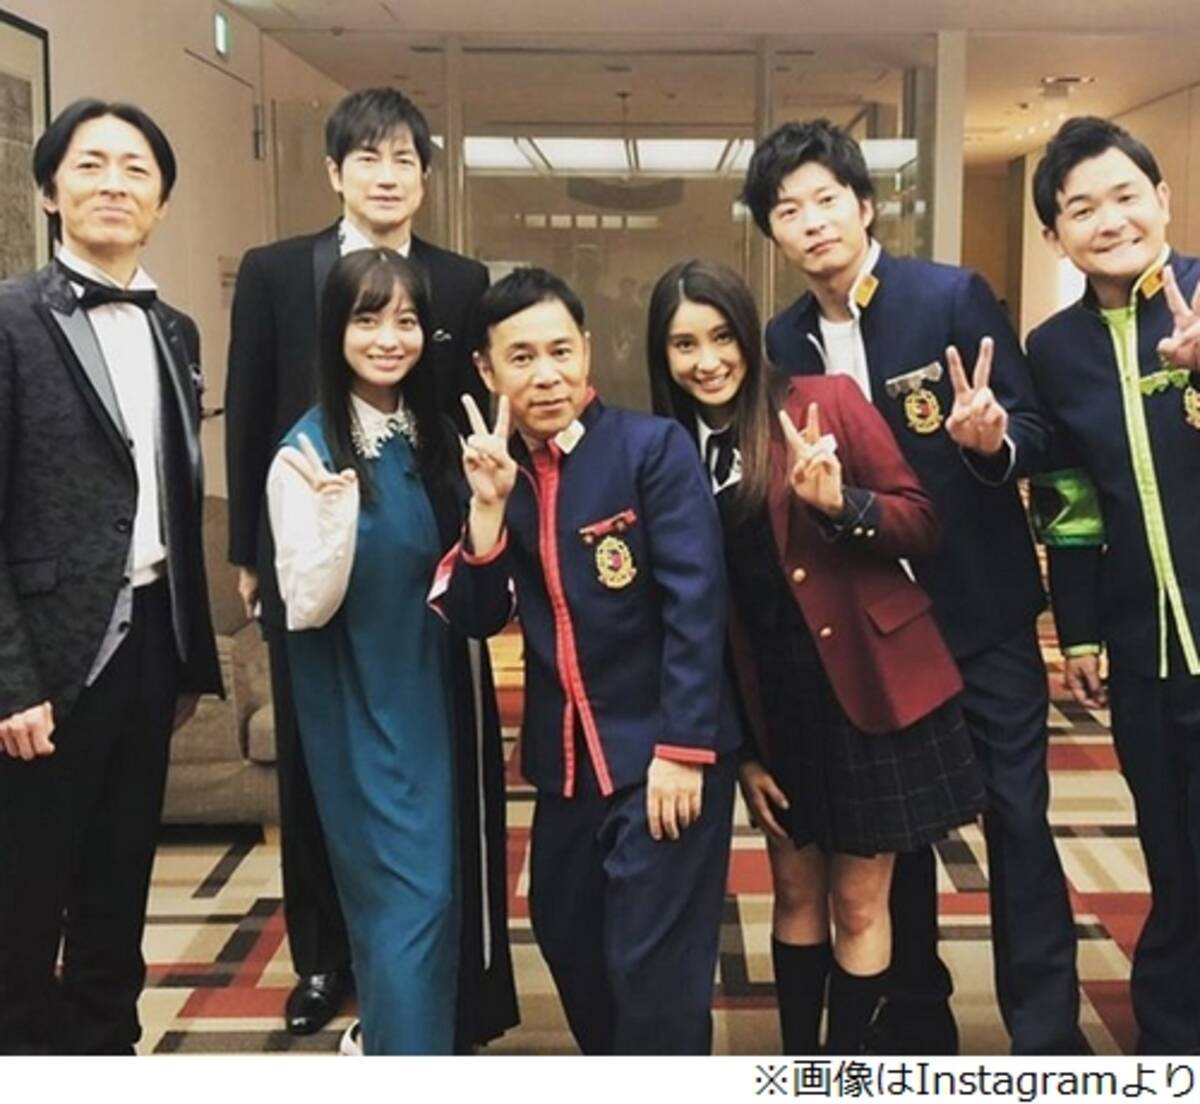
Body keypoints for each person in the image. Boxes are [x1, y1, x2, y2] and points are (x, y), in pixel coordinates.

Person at [742, 118, 1083, 1055]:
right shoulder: (782, 339)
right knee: (896, 835)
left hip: (978, 615)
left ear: (863, 205)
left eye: (826, 200)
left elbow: (1036, 434)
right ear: (772, 233)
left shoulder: (949, 297)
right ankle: (919, 1028)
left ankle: (1046, 1037)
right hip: (872, 632)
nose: (812, 222)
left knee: (1017, 821)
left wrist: (991, 441)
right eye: (787, 210)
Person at [645, 259, 985, 1054]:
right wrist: (742, 750)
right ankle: (805, 1063)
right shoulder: (669, 450)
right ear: (662, 355)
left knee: (859, 904)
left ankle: (844, 1072)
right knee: (795, 895)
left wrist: (841, 506)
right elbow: (696, 616)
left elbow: (922, 522)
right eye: (685, 344)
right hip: (774, 702)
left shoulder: (823, 401)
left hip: (871, 689)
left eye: (722, 336)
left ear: (748, 334)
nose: (707, 360)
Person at [224, 86, 496, 1039]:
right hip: (320, 559)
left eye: (404, 160)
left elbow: (465, 415)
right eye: (367, 159)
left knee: (430, 851)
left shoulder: (458, 282)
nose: (387, 176)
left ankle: (416, 1016)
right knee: (326, 801)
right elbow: (249, 406)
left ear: (426, 177)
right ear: (335, 172)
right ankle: (328, 966)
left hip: (420, 585)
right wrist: (252, 555)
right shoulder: (276, 272)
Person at [430, 267, 739, 1055]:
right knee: (564, 931)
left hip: (659, 751)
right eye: (522, 357)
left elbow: (697, 606)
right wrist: (487, 510)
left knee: (653, 966)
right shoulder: (491, 472)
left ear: (588, 351)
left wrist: (683, 748)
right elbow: (473, 616)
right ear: (487, 370)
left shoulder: (650, 449)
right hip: (565, 764)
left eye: (561, 351)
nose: (547, 375)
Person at [0, 99, 221, 1054]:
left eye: (137, 169)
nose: (114, 185)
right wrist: (10, 680)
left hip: (149, 646)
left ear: (161, 201)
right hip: (45, 663)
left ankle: (105, 1052)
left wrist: (185, 655)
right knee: (23, 896)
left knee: (118, 885)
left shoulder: (177, 330)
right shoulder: (10, 319)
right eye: (90, 165)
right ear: (51, 191)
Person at [265, 248, 515, 1054]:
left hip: (438, 699)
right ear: (335, 331)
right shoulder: (305, 454)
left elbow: (466, 572)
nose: (388, 338)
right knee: (409, 904)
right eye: (367, 319)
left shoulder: (432, 436)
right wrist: (335, 522)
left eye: (406, 321)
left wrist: (487, 505)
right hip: (362, 711)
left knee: (439, 901)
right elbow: (304, 605)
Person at [1027, 116, 1200, 1055]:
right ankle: (1173, 1039)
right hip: (1142, 655)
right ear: (1056, 236)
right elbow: (1070, 503)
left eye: (1126, 195)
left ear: (1163, 199)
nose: (1110, 220)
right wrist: (1081, 632)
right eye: (1082, 208)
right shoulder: (1055, 350)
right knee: (1169, 851)